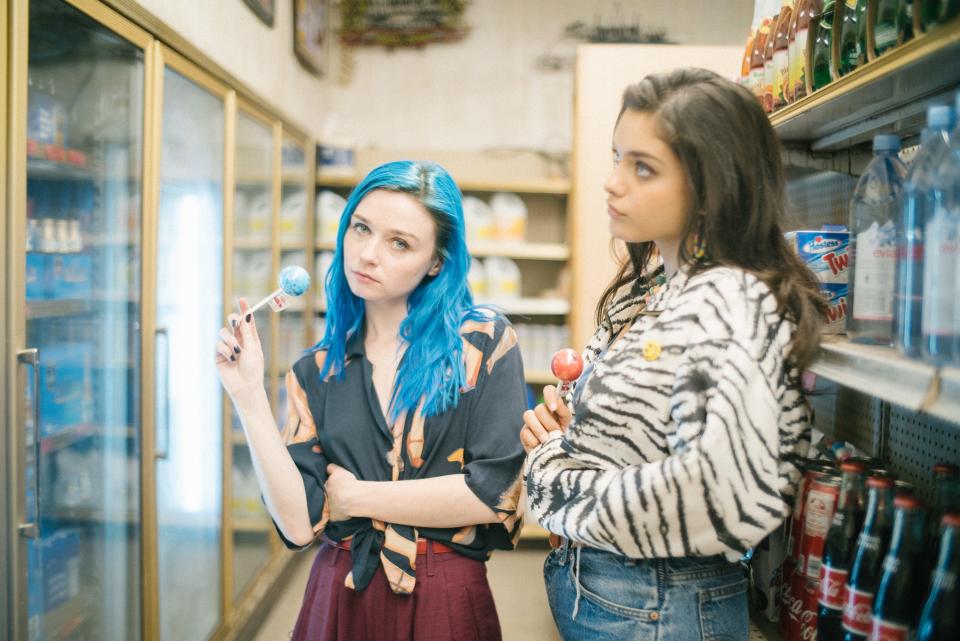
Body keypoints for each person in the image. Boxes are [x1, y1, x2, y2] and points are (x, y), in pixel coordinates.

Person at [521, 68, 826, 641]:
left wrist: (555, 476)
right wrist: (580, 430)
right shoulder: (664, 284)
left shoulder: (730, 300)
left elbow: (721, 501)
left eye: (643, 168)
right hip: (624, 596)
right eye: (617, 158)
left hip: (662, 606)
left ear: (711, 186)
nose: (613, 183)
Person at [215, 160, 527, 641]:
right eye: (361, 228)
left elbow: (493, 494)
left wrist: (356, 497)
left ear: (437, 261)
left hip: (444, 593)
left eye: (399, 242)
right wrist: (248, 395)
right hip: (340, 593)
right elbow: (299, 525)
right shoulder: (317, 370)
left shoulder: (481, 343)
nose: (367, 254)